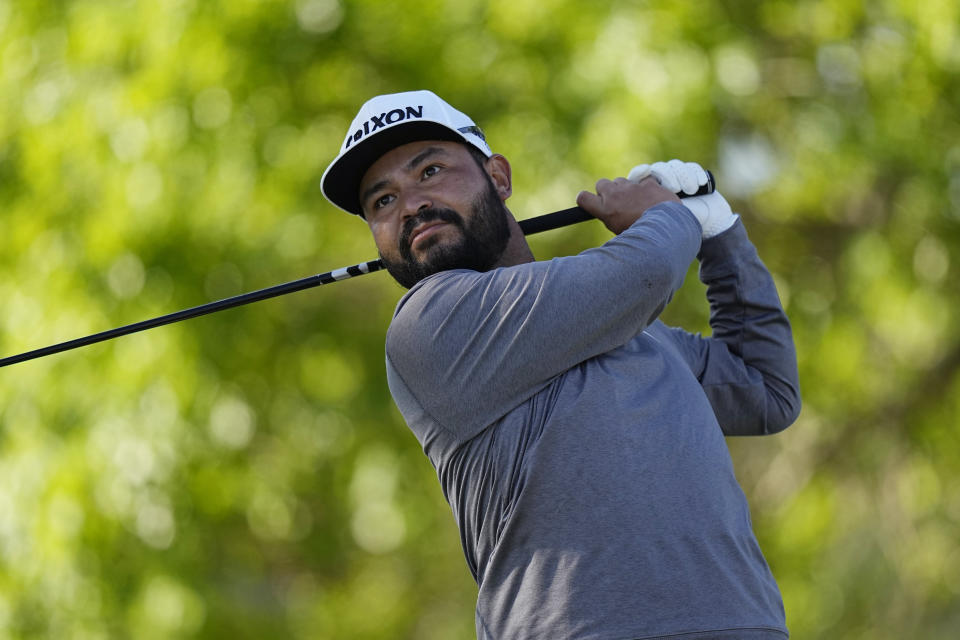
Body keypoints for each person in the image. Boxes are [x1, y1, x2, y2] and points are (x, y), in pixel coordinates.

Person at [321, 90, 801, 640]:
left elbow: (765, 389)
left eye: (430, 170)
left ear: (498, 178)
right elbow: (642, 272)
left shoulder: (634, 332)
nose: (410, 205)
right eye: (382, 202)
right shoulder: (428, 326)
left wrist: (720, 234)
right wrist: (668, 214)